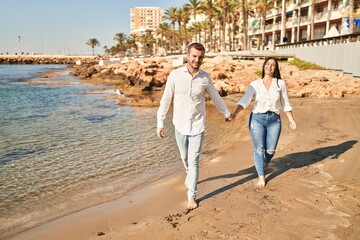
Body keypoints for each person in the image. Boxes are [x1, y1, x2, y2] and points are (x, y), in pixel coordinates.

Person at [156, 42, 232, 209]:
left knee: (194, 161)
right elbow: (166, 99)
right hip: (179, 125)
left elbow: (215, 96)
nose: (197, 60)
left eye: (200, 57)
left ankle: (192, 195)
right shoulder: (175, 75)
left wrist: (226, 113)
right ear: (188, 55)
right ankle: (189, 174)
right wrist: (160, 122)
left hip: (198, 125)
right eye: (194, 56)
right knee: (185, 158)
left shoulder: (205, 78)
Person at [232, 57, 296, 187]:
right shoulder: (255, 84)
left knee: (271, 150)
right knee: (259, 149)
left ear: (275, 68)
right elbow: (245, 100)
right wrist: (235, 113)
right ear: (263, 66)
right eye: (267, 64)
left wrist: (291, 119)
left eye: (273, 65)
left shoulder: (280, 84)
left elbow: (285, 103)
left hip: (274, 120)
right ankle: (261, 176)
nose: (270, 66)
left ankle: (263, 162)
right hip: (257, 119)